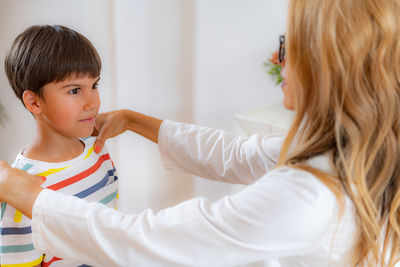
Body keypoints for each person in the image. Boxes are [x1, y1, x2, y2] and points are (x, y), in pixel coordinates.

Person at [0, 0, 399, 265]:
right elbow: (237, 153)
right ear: (33, 101)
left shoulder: (308, 197)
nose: (279, 58)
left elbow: (147, 240)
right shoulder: (360, 151)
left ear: (323, 65)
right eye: (74, 90)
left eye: (289, 44)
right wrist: (136, 121)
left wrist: (30, 195)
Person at [1, 25, 119, 266]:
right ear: (34, 102)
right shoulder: (19, 187)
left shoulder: (97, 149)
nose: (92, 103)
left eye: (94, 86)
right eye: (75, 90)